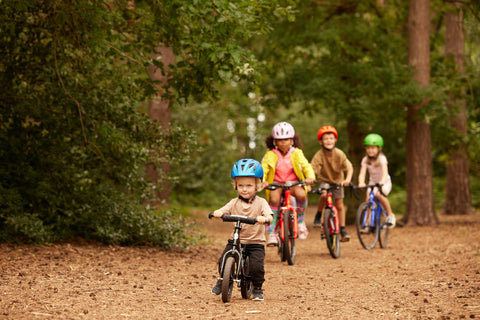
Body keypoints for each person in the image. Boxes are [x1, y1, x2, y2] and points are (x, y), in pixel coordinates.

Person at [210, 158, 273, 301]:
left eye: (249, 185)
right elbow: (223, 209)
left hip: (255, 242)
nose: (244, 189)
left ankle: (257, 288)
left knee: (257, 266)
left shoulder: (261, 202)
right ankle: (223, 280)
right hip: (236, 240)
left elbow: (269, 215)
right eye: (241, 185)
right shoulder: (234, 202)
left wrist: (266, 218)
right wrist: (218, 213)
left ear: (257, 186)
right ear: (235, 186)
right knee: (223, 259)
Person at [261, 122, 316, 246]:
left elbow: (306, 166)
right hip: (276, 183)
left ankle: (301, 222)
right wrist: (262, 180)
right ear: (274, 141)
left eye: (286, 139)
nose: (283, 142)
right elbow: (264, 168)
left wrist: (310, 177)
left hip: (294, 182)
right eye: (280, 140)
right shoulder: (270, 154)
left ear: (292, 140)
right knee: (274, 200)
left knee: (302, 195)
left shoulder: (297, 152)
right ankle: (272, 232)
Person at [311, 126, 353, 242]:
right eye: (326, 139)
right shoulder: (319, 155)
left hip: (338, 181)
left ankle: (343, 230)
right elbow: (312, 169)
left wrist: (347, 180)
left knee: (339, 206)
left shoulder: (339, 154)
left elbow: (349, 168)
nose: (329, 141)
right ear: (321, 142)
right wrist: (310, 181)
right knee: (324, 195)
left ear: (335, 140)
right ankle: (319, 214)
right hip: (324, 180)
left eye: (331, 138)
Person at [357, 133, 396, 229]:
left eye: (373, 148)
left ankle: (390, 215)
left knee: (379, 194)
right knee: (368, 200)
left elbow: (385, 172)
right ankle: (367, 223)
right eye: (368, 148)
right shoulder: (365, 160)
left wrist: (382, 183)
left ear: (379, 149)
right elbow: (362, 173)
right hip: (372, 182)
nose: (370, 150)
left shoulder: (382, 159)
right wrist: (361, 182)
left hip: (384, 181)